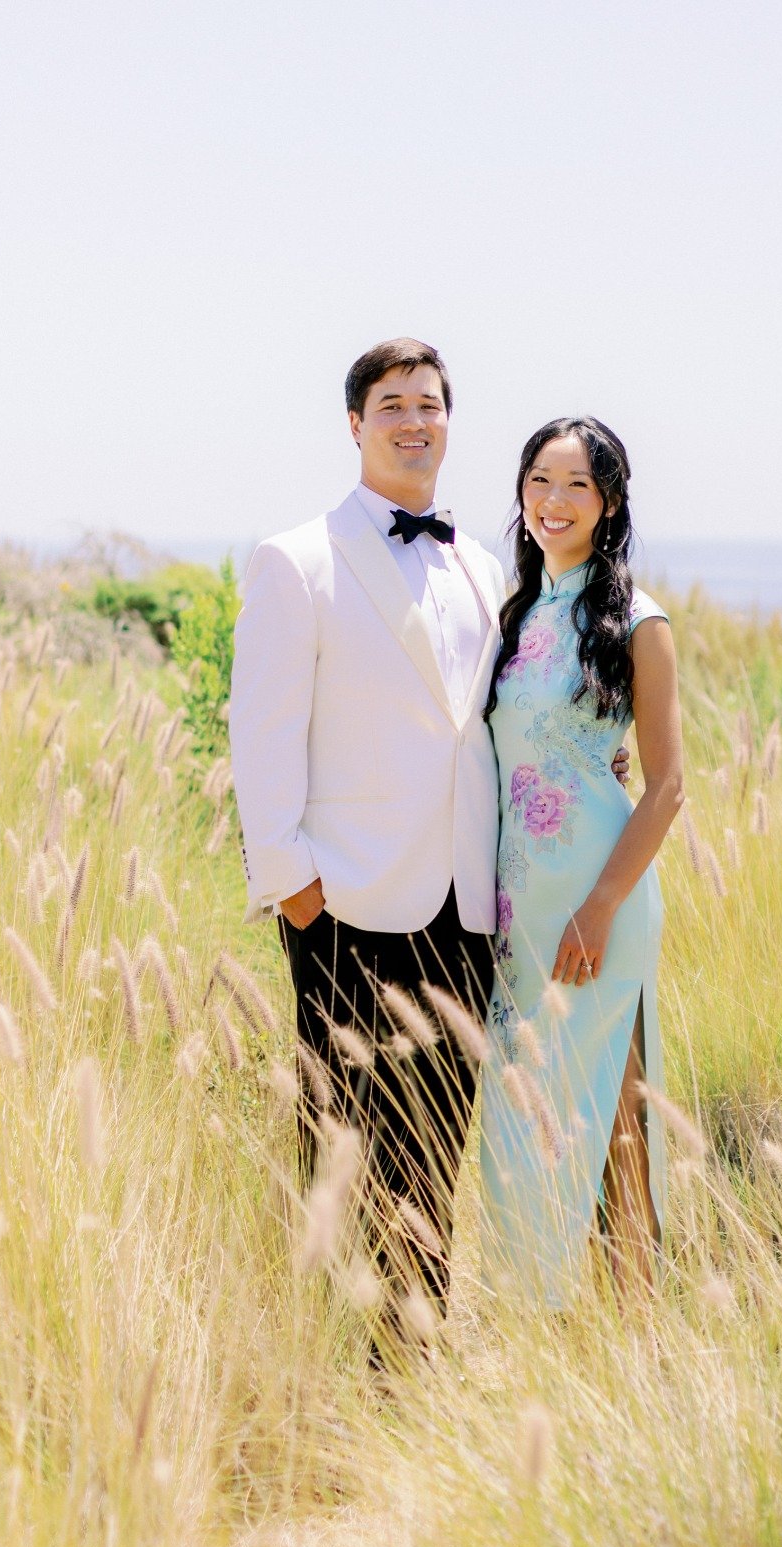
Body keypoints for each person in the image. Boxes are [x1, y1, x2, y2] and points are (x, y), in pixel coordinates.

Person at [229, 338, 502, 1359]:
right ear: (356, 424)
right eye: (392, 404)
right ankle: (338, 1364)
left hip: (462, 906)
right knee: (344, 1147)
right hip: (345, 901)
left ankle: (413, 1360)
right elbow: (257, 732)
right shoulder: (297, 558)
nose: (413, 421)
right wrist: (296, 889)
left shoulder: (482, 564)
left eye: (429, 404)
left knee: (438, 1147)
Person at [480, 416, 684, 1309]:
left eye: (576, 486)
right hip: (517, 910)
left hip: (602, 904)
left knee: (613, 1119)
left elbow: (667, 786)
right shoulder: (513, 614)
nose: (552, 502)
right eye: (538, 481)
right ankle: (540, 1321)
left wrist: (599, 906)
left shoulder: (639, 621)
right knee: (521, 1119)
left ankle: (633, 1335)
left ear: (608, 505)